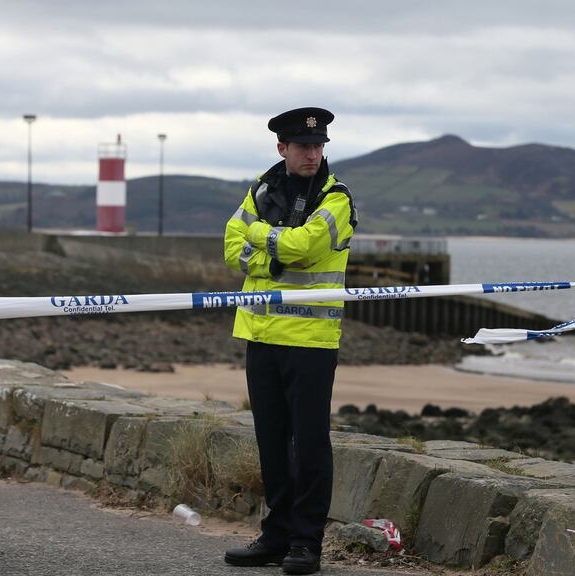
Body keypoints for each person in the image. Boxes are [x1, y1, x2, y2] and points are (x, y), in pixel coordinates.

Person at [222, 107, 357, 575]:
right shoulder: (261, 190)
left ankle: (306, 543)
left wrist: (261, 241)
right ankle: (276, 536)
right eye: (303, 147)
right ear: (282, 148)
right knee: (272, 441)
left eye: (318, 147)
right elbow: (229, 246)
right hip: (260, 334)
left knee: (310, 443)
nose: (312, 154)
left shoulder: (336, 198)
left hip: (310, 339)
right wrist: (273, 253)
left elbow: (304, 251)